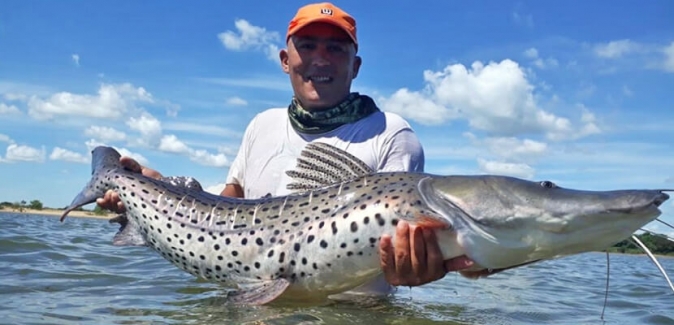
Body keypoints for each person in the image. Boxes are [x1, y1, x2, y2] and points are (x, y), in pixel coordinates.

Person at [97, 2, 475, 297]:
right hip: (248, 305)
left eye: (336, 48)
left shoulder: (391, 133)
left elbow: (412, 247)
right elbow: (231, 204)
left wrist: (421, 268)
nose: (321, 58)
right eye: (307, 46)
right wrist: (160, 188)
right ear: (284, 60)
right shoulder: (261, 125)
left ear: (356, 66)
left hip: (351, 312)